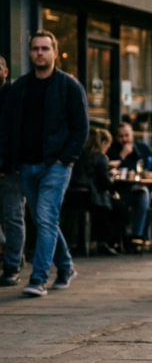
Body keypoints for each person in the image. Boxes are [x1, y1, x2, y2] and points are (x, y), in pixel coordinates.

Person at [0, 31, 88, 297]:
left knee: (46, 217)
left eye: (45, 48)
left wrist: (66, 159)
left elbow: (81, 128)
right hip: (26, 165)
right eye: (35, 49)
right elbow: (7, 126)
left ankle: (38, 278)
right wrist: (8, 160)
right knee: (43, 220)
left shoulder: (69, 86)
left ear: (55, 52)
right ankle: (65, 266)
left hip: (56, 165)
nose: (40, 53)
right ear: (30, 53)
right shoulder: (20, 88)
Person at [68, 129, 129, 255]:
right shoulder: (100, 157)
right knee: (120, 208)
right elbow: (104, 183)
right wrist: (111, 175)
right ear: (103, 143)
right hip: (90, 197)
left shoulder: (79, 155)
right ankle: (106, 243)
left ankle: (86, 242)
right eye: (107, 145)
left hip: (72, 196)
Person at [0, 56, 25, 287]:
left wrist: (6, 163)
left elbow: (16, 135)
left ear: (6, 71)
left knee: (12, 217)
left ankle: (11, 266)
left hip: (10, 168)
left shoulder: (15, 97)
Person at [106, 122, 152, 245]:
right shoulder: (112, 150)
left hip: (139, 188)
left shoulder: (142, 148)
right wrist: (122, 155)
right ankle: (130, 237)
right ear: (116, 137)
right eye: (121, 136)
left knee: (144, 194)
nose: (125, 139)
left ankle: (136, 236)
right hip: (118, 190)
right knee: (141, 194)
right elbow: (109, 169)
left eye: (127, 135)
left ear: (132, 134)